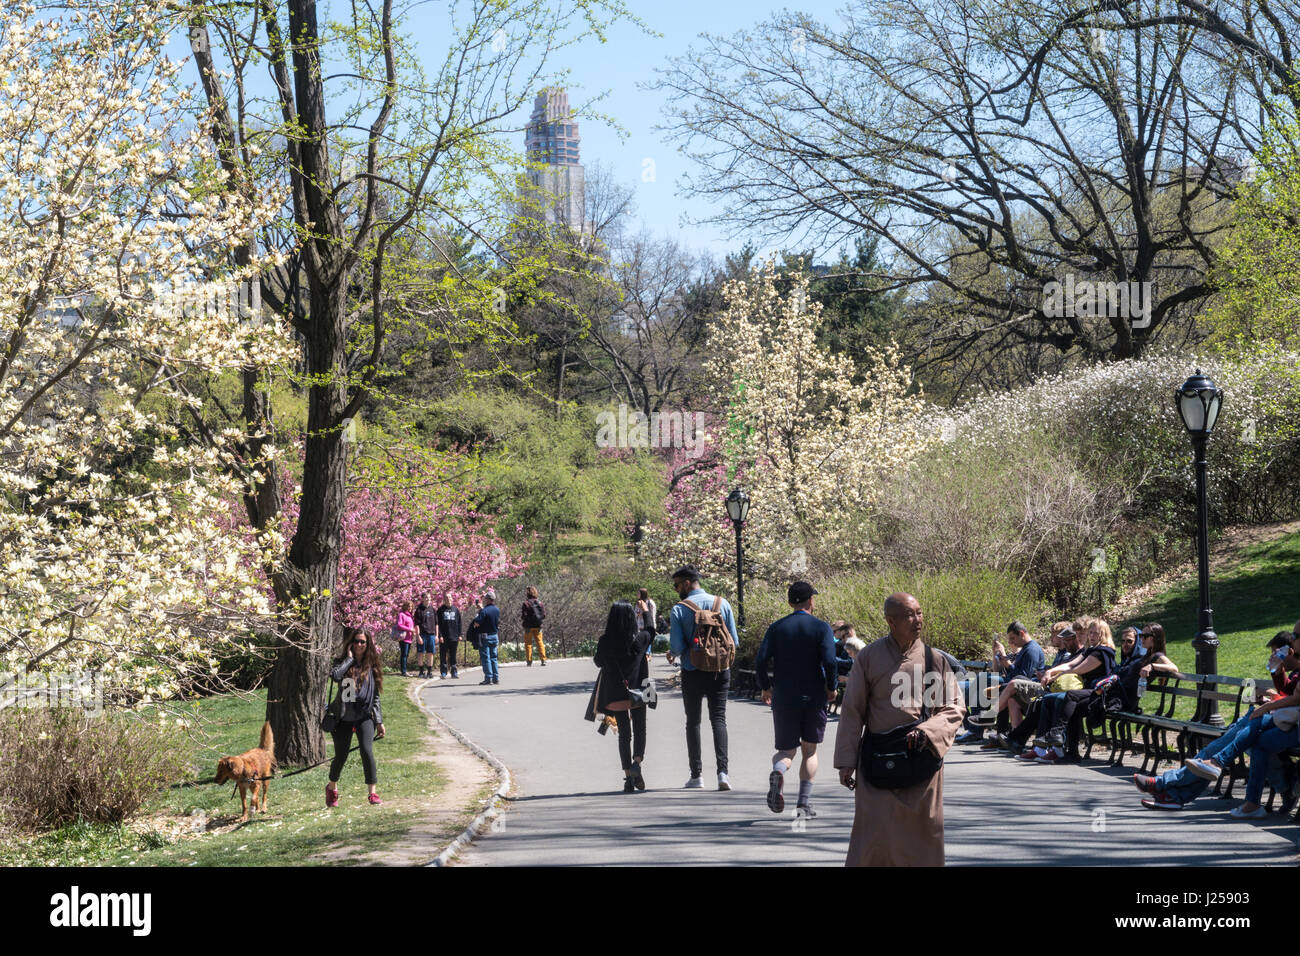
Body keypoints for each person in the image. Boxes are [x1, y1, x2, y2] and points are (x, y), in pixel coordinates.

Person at [834, 592, 963, 866]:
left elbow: (953, 706)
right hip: (877, 758)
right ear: (891, 622)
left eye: (919, 613)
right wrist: (846, 761)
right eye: (909, 615)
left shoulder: (934, 659)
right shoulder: (869, 657)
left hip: (921, 758)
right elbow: (852, 710)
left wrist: (928, 731)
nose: (917, 620)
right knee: (875, 833)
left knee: (923, 834)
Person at [1136, 629, 1300, 811]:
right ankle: (1174, 792)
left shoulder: (1296, 672)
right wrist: (1272, 691)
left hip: (1285, 726)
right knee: (1238, 737)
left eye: (1279, 652)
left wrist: (1271, 701)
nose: (1277, 656)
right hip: (1277, 722)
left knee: (1242, 739)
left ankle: (1169, 787)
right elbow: (1288, 696)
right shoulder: (1294, 673)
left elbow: (1293, 700)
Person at [755, 581, 838, 818]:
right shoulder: (821, 628)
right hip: (813, 697)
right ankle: (803, 804)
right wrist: (831, 688)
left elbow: (760, 660)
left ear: (791, 603)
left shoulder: (776, 628)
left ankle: (779, 771)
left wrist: (766, 688)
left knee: (786, 751)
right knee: (809, 751)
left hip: (783, 696)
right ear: (811, 600)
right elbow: (831, 662)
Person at [668, 565, 739, 791]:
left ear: (688, 583)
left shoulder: (679, 609)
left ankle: (696, 775)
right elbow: (734, 642)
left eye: (677, 584)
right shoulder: (722, 604)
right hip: (720, 670)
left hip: (692, 671)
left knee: (693, 722)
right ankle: (723, 773)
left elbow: (678, 646)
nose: (676, 589)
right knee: (718, 719)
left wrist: (674, 653)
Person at [1018, 618, 1117, 763]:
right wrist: (1050, 672)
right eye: (1090, 632)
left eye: (1095, 633)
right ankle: (1059, 751)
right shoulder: (1090, 650)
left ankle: (1056, 736)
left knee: (1068, 697)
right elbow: (1070, 664)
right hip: (1088, 692)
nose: (1091, 636)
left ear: (1103, 634)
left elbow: (1077, 669)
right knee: (1051, 699)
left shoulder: (1103, 652)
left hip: (1100, 694)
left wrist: (1054, 676)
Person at [592, 601, 654, 792]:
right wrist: (646, 612)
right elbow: (651, 630)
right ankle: (637, 762)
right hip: (638, 693)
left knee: (624, 735)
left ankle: (628, 778)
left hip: (615, 695)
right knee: (640, 730)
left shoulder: (605, 642)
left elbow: (597, 662)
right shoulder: (639, 640)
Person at [326, 627, 386, 807]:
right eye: (356, 641)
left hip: (364, 716)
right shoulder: (342, 662)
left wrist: (379, 721)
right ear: (351, 643)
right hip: (343, 717)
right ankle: (331, 787)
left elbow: (375, 697)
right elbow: (335, 676)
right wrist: (349, 659)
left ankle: (372, 793)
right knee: (341, 755)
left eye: (363, 642)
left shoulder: (372, 666)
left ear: (368, 645)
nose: (359, 645)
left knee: (366, 751)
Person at [956, 622, 1044, 743]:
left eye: (1013, 638)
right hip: (1012, 683)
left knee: (986, 680)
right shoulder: (1024, 649)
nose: (1012, 642)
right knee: (985, 679)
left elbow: (1024, 677)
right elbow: (1002, 672)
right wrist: (999, 658)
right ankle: (984, 730)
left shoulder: (1031, 649)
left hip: (1027, 688)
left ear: (1022, 634)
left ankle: (977, 729)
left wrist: (1008, 665)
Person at [471, 590, 501, 685]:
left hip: (485, 636)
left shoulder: (484, 611)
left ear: (488, 599)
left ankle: (488, 678)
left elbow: (477, 622)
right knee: (494, 657)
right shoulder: (497, 610)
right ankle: (496, 677)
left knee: (486, 657)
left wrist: (479, 612)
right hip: (494, 635)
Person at [436, 592, 462, 679]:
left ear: (452, 599)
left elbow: (459, 623)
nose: (448, 600)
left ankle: (454, 672)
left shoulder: (456, 610)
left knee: (453, 655)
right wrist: (440, 636)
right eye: (446, 598)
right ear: (444, 600)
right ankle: (443, 672)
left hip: (454, 636)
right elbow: (438, 624)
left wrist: (460, 634)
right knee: (443, 655)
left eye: (450, 598)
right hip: (444, 637)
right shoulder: (440, 610)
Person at [521, 586, 548, 666]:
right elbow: (544, 615)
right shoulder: (540, 602)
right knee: (540, 642)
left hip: (528, 626)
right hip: (538, 625)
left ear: (527, 593)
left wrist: (524, 619)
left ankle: (529, 661)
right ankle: (543, 660)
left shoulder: (526, 603)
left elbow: (524, 615)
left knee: (528, 644)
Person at [414, 592, 439, 679]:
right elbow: (416, 624)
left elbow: (436, 624)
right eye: (426, 597)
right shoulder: (418, 610)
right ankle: (421, 671)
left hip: (431, 635)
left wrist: (436, 635)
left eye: (429, 597)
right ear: (423, 599)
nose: (428, 599)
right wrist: (418, 636)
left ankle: (429, 671)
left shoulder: (433, 609)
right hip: (422, 635)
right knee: (421, 653)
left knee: (430, 653)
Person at [393, 601, 416, 677]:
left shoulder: (410, 616)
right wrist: (410, 629)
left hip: (409, 638)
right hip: (403, 638)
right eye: (409, 606)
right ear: (405, 606)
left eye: (411, 606)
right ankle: (403, 671)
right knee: (404, 654)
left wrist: (413, 632)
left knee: (406, 655)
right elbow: (399, 625)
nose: (410, 608)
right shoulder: (401, 614)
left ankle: (405, 670)